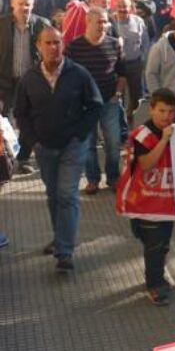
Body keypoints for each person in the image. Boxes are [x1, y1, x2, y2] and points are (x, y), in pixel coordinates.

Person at [15, 27, 103, 273]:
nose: (53, 47)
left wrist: (80, 135)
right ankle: (59, 237)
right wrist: (34, 140)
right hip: (45, 148)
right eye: (48, 43)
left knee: (67, 195)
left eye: (57, 43)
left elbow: (95, 106)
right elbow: (20, 112)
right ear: (38, 47)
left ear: (63, 45)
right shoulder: (29, 78)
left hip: (72, 147)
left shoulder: (79, 74)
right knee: (53, 195)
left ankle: (65, 251)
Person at [115, 88, 175, 306]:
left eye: (170, 112)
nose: (166, 117)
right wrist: (164, 141)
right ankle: (154, 285)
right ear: (151, 109)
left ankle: (157, 277)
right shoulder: (143, 135)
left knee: (162, 245)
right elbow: (146, 164)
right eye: (161, 111)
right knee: (154, 246)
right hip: (146, 204)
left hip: (165, 203)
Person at [66, 6, 127, 193]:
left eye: (105, 21)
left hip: (109, 102)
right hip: (85, 105)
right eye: (99, 21)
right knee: (88, 144)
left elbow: (122, 74)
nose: (103, 25)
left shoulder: (115, 44)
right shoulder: (74, 47)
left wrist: (118, 94)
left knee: (113, 144)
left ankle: (113, 178)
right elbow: (67, 76)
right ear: (88, 22)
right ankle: (92, 180)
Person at [0, 0, 50, 169]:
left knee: (29, 120)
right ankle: (5, 159)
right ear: (13, 4)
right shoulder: (2, 24)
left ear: (33, 6)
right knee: (3, 120)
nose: (24, 7)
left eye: (27, 4)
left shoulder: (42, 25)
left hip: (31, 82)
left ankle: (23, 159)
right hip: (5, 82)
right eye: (20, 3)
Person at [115, 0, 151, 121]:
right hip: (117, 66)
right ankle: (121, 118)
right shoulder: (112, 22)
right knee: (119, 94)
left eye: (125, 6)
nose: (122, 9)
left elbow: (145, 40)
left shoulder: (138, 21)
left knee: (136, 94)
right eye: (119, 6)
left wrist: (144, 56)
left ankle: (132, 114)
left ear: (130, 8)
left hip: (135, 63)